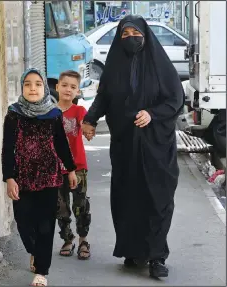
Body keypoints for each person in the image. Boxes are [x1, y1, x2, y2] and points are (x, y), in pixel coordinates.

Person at [82, 15, 184, 278]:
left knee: (157, 198)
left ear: (145, 35)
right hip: (125, 144)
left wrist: (152, 114)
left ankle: (157, 256)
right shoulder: (114, 65)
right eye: (124, 34)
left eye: (134, 33)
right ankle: (133, 251)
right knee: (128, 198)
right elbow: (103, 96)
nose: (130, 38)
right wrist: (89, 119)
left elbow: (175, 99)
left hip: (157, 147)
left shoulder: (160, 65)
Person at [1, 68, 78, 286]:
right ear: (22, 88)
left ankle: (42, 272)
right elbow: (7, 149)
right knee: (23, 222)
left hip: (49, 177)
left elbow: (61, 145)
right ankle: (34, 251)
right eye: (27, 84)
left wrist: (70, 170)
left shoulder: (53, 114)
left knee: (45, 225)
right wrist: (9, 178)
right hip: (22, 178)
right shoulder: (14, 114)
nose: (32, 88)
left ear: (44, 87)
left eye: (37, 84)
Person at [56, 70, 92, 260]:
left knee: (81, 206)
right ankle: (67, 239)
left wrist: (87, 129)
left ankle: (83, 240)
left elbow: (84, 125)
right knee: (60, 207)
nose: (68, 89)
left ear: (78, 91)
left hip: (78, 168)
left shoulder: (79, 112)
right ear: (57, 87)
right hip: (56, 170)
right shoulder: (51, 113)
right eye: (64, 85)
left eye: (72, 87)